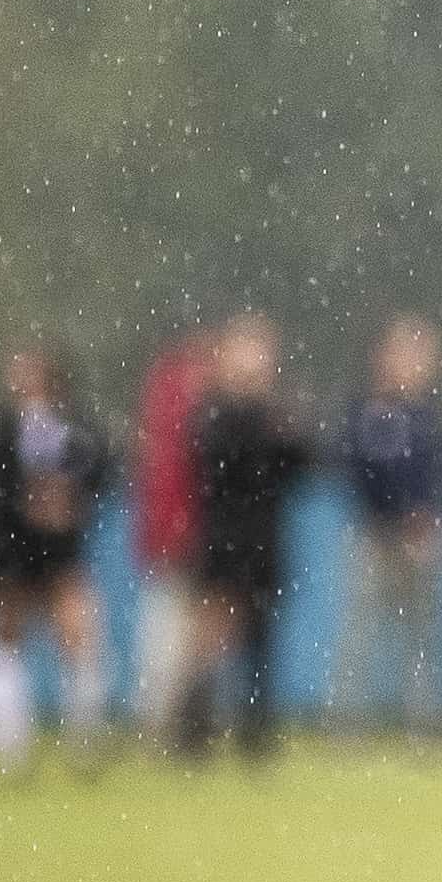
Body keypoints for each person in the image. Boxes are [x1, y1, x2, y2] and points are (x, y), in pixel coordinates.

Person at [0, 346, 112, 773]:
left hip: (61, 550)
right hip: (11, 547)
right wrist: (22, 502)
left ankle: (85, 744)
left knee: (80, 638)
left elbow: (101, 470)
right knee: (4, 639)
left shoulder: (76, 427)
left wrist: (72, 500)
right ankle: (9, 748)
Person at [176, 314, 311, 762]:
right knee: (212, 638)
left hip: (265, 540)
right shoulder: (214, 408)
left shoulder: (275, 409)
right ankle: (192, 733)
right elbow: (220, 460)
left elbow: (300, 459)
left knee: (261, 641)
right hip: (223, 539)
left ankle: (256, 735)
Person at [333, 314, 442, 737]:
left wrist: (430, 518)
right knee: (360, 632)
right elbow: (361, 471)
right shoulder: (370, 411)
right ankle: (347, 722)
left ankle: (424, 723)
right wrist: (400, 514)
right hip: (376, 535)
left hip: (421, 539)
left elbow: (440, 475)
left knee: (423, 636)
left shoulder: (426, 416)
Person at [129, 320, 215, 744]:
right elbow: (167, 474)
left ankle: (172, 725)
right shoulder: (182, 389)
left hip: (185, 534)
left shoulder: (167, 386)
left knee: (176, 634)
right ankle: (166, 725)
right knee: (172, 635)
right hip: (184, 536)